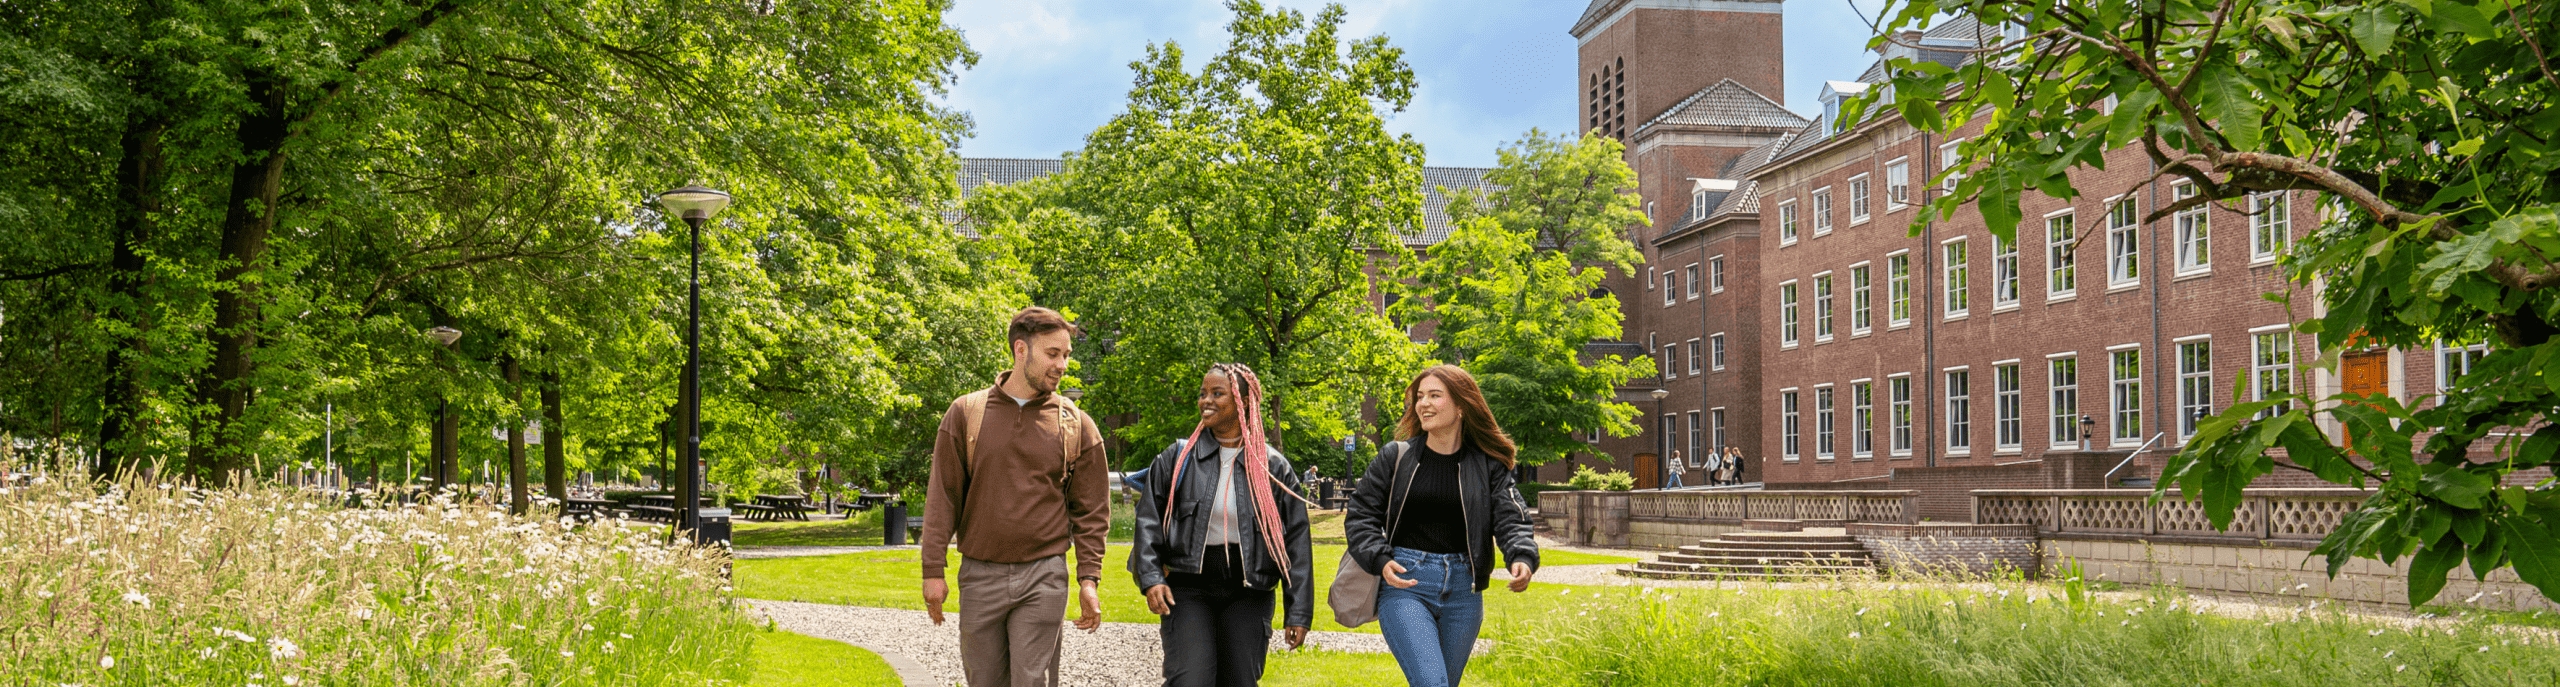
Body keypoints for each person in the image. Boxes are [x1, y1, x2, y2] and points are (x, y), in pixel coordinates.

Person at [920, 306, 1111, 687]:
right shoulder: (966, 413)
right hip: (979, 574)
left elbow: (1092, 512)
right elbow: (943, 496)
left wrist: (1088, 579)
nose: (1062, 365)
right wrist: (933, 570)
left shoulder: (1075, 425)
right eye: (1053, 354)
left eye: (1067, 355)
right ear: (1020, 350)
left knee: (1032, 681)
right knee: (984, 680)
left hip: (1044, 575)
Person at [1343, 365, 1541, 687]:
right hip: (1406, 583)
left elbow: (1511, 516)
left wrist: (1521, 555)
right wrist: (1379, 558)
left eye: (1435, 395)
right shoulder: (1397, 456)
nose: (1424, 403)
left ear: (1461, 406)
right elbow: (1361, 515)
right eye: (1420, 396)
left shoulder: (1487, 465)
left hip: (1465, 592)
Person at [1129, 363, 1314, 687]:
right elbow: (1148, 521)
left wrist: (1298, 611)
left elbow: (1296, 542)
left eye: (1217, 393)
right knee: (1191, 679)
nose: (1206, 401)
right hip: (1188, 587)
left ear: (1243, 402)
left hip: (1249, 590)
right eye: (1203, 394)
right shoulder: (1177, 458)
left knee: (1239, 680)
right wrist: (1151, 576)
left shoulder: (1272, 468)